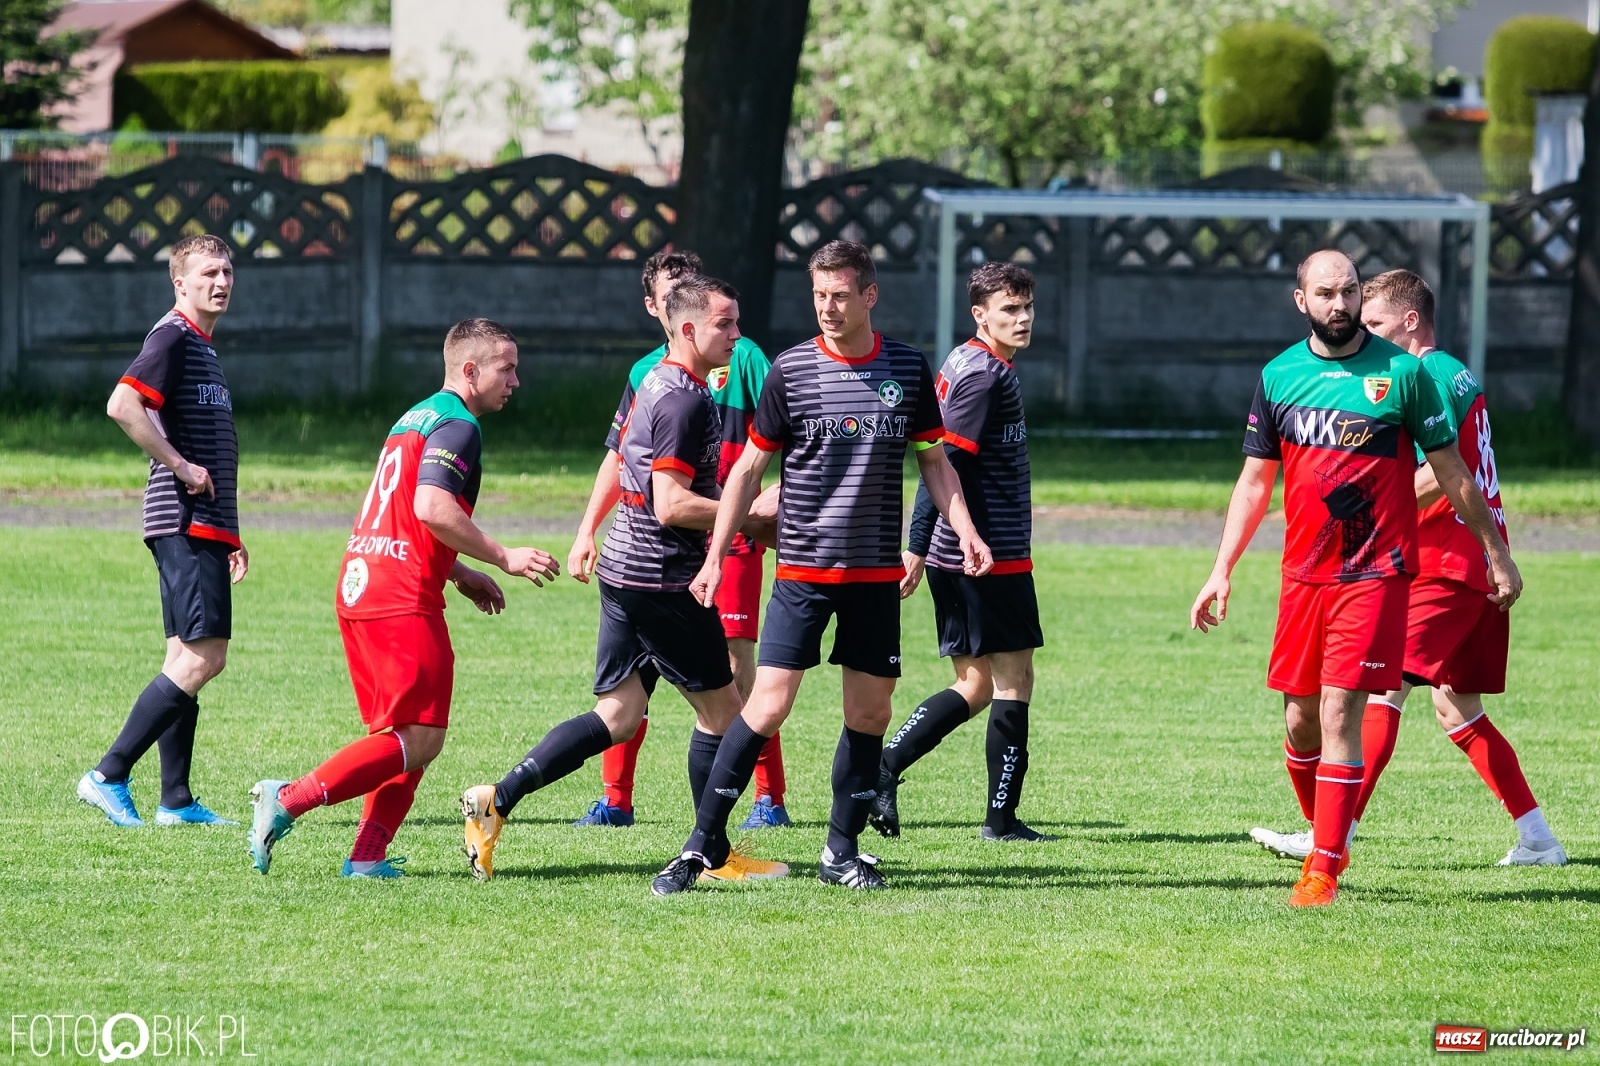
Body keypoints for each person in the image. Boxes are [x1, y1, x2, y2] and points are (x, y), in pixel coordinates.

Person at [650, 239, 993, 895]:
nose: (828, 307)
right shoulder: (791, 369)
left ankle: (841, 851)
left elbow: (935, 463)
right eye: (818, 295)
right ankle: (700, 846)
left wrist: (966, 532)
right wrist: (716, 556)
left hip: (873, 577)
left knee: (870, 713)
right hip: (803, 572)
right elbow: (748, 471)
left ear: (870, 295)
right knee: (767, 704)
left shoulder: (908, 369)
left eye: (839, 295)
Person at [1190, 250, 1522, 908]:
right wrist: (1220, 569)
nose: (1339, 305)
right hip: (1302, 576)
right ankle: (1328, 835)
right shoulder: (1279, 376)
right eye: (1326, 293)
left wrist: (1496, 552)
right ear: (1301, 300)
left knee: (1341, 711)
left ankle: (1322, 869)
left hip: (1375, 573)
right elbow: (1254, 482)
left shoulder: (1404, 373)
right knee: (1300, 722)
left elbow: (1452, 471)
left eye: (1348, 292)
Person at [460, 277, 789, 883]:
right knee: (725, 714)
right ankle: (712, 854)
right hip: (662, 581)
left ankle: (496, 799)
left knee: (619, 715)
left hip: (624, 571)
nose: (737, 336)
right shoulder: (686, 399)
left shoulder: (656, 380)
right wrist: (747, 512)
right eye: (725, 324)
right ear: (687, 329)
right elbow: (670, 503)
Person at [1250, 268, 1564, 867]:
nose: (1365, 333)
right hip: (1473, 559)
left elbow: (1437, 476)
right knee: (1456, 706)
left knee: (1378, 690)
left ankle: (1330, 837)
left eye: (1375, 322)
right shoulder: (1458, 372)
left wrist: (1360, 508)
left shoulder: (1426, 374)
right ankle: (1539, 839)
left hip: (1445, 560)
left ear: (1411, 320)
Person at [247, 319, 559, 878]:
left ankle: (367, 857)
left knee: (401, 736)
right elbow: (432, 508)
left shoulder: (416, 416)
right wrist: (503, 556)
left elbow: (402, 514)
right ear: (470, 371)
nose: (516, 380)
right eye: (507, 368)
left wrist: (457, 571)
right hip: (400, 596)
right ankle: (289, 798)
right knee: (421, 736)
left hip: (362, 581)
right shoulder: (459, 426)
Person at [567, 250, 789, 829]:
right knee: (646, 690)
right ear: (660, 309)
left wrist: (768, 501)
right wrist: (587, 528)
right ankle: (621, 801)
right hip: (671, 545)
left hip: (729, 537)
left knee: (736, 670)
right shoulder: (651, 375)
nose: (685, 297)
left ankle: (768, 798)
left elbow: (787, 433)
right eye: (672, 293)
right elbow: (619, 457)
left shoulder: (743, 356)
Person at [877, 261, 1049, 842]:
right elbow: (941, 463)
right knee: (1013, 679)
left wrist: (923, 547)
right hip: (986, 551)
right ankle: (1001, 820)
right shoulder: (984, 376)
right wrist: (917, 545)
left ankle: (886, 766)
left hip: (961, 552)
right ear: (980, 315)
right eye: (1009, 309)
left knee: (974, 684)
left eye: (1027, 307)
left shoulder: (966, 360)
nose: (1022, 318)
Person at [78, 234, 246, 829]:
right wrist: (179, 466)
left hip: (201, 523)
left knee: (183, 655)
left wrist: (230, 531)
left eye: (226, 272)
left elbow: (205, 444)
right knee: (205, 656)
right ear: (180, 282)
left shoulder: (201, 344)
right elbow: (122, 404)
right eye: (208, 273)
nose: (220, 282)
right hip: (182, 520)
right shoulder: (173, 335)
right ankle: (108, 774)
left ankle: (175, 799)